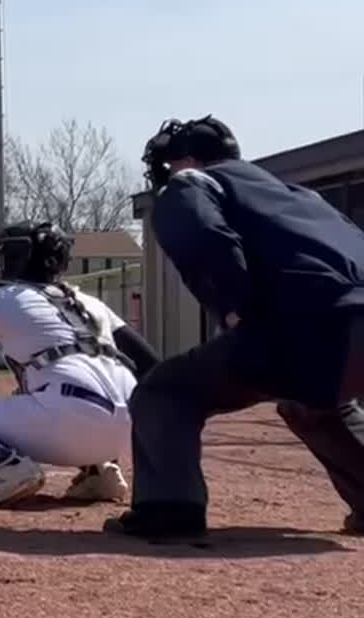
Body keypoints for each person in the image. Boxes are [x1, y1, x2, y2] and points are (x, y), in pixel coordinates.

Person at [110, 115, 364, 540]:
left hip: (315, 326)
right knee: (314, 403)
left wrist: (233, 304)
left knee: (165, 391)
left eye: (172, 165)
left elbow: (202, 232)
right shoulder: (299, 195)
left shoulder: (193, 182)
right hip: (343, 326)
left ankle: (169, 511)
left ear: (189, 160)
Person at [0, 221, 160, 507]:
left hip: (68, 421)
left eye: (7, 255)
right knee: (49, 390)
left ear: (22, 259)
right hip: (130, 431)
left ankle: (9, 469)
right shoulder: (90, 303)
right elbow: (152, 365)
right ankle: (100, 471)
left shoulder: (4, 298)